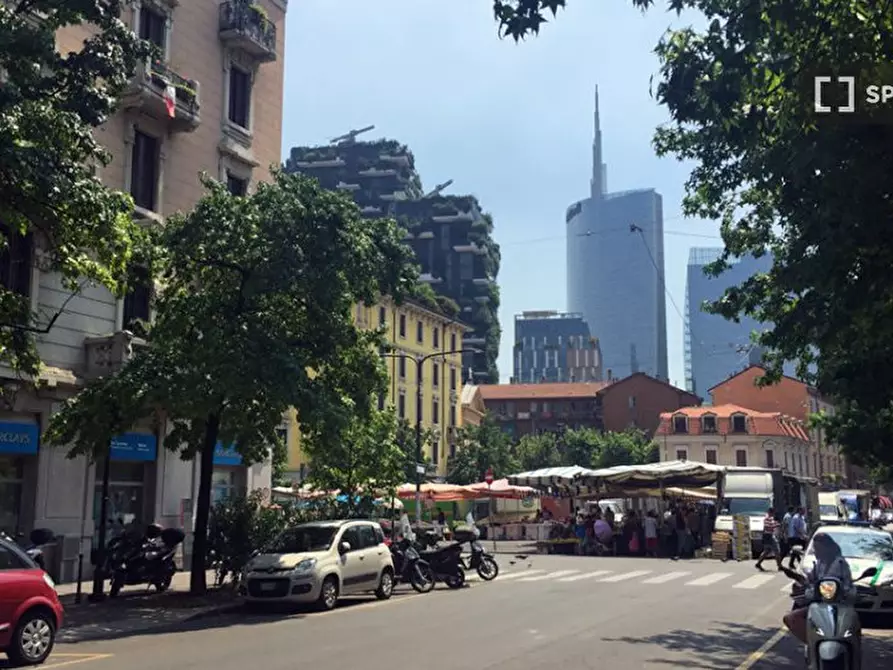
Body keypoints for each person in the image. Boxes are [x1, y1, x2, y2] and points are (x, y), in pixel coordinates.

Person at [783, 532, 853, 643]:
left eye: (818, 548)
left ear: (827, 549)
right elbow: (810, 580)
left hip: (836, 606)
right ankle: (812, 643)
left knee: (793, 618)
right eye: (815, 548)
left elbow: (835, 587)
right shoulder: (820, 563)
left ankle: (813, 642)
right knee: (790, 617)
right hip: (821, 604)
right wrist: (795, 576)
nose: (816, 551)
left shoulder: (839, 564)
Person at [755, 507, 782, 571]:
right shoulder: (768, 518)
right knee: (777, 551)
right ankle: (779, 566)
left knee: (767, 551)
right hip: (769, 535)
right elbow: (768, 527)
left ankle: (758, 563)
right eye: (773, 513)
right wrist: (776, 525)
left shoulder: (769, 518)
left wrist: (776, 524)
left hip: (767, 535)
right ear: (771, 512)